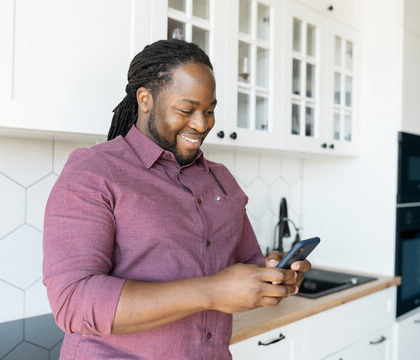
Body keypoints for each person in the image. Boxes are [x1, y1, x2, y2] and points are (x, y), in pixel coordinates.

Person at [43, 39, 311, 360]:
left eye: (209, 111)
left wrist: (274, 275)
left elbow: (249, 262)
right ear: (146, 99)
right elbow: (73, 301)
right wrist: (212, 291)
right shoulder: (95, 170)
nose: (201, 124)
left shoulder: (221, 178)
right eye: (186, 110)